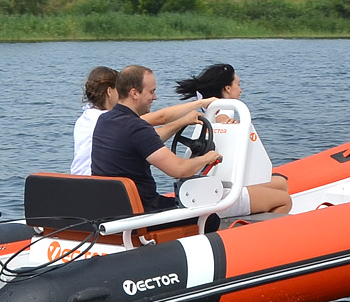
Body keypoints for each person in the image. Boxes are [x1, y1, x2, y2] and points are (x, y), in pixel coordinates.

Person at [91, 65, 222, 212]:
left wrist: (182, 122)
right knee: (211, 216)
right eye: (151, 92)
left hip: (111, 208)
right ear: (134, 93)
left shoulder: (104, 121)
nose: (155, 97)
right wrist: (207, 158)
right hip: (143, 211)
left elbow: (147, 142)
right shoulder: (137, 128)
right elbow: (179, 170)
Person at [174, 63, 292, 215]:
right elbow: (222, 117)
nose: (241, 90)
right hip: (223, 192)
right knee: (285, 199)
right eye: (238, 84)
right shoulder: (225, 109)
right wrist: (227, 123)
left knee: (281, 183)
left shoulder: (208, 110)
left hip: (212, 183)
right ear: (228, 89)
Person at [71, 66, 214, 175]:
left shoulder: (88, 118)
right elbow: (160, 119)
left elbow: (144, 139)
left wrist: (182, 122)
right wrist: (200, 103)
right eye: (119, 90)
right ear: (109, 92)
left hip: (88, 184)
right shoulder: (110, 119)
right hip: (97, 181)